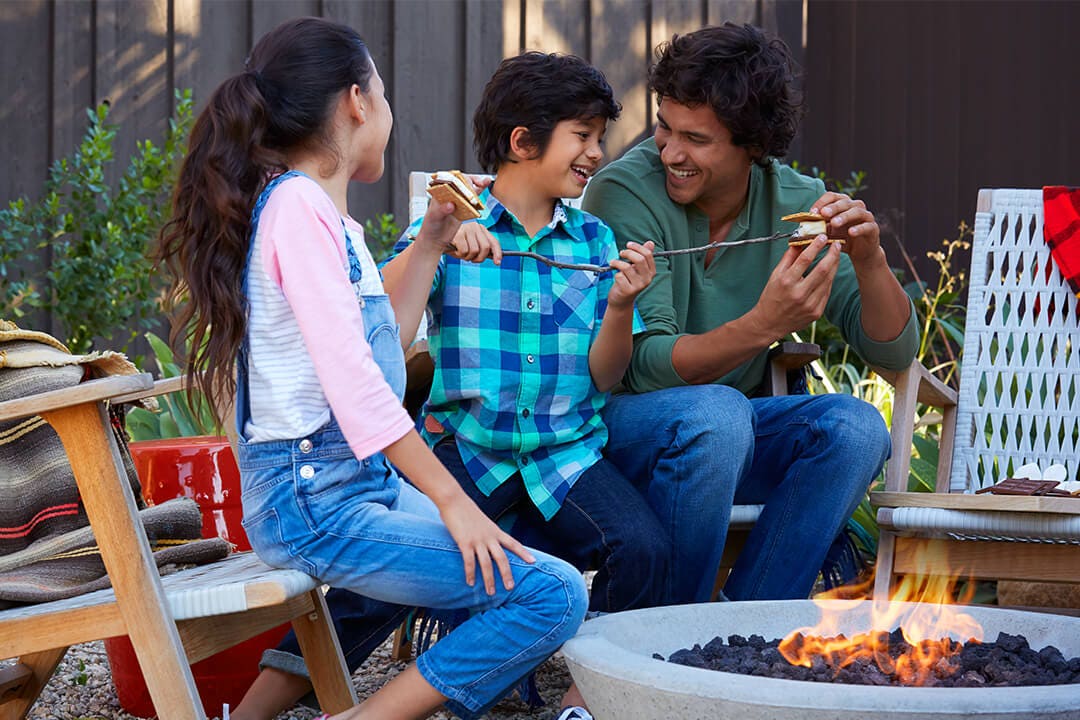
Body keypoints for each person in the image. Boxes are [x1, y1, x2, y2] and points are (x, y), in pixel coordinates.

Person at [155, 17, 588, 720]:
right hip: (316, 501)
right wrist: (453, 501)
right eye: (383, 97)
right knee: (553, 593)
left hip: (356, 485)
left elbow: (385, 344)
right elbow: (353, 387)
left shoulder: (327, 217)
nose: (388, 114)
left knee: (546, 584)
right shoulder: (298, 208)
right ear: (357, 102)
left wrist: (432, 241)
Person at [581, 23, 919, 603]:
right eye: (665, 127)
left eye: (698, 139)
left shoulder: (795, 202)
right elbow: (641, 369)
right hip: (619, 435)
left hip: (725, 437)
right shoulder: (625, 192)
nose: (671, 152)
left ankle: (744, 627)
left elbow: (893, 352)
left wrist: (869, 260)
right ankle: (661, 633)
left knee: (857, 427)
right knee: (718, 414)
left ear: (753, 146)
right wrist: (764, 325)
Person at [386, 51, 662, 720]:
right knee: (377, 569)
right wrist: (436, 241)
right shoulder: (453, 223)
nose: (597, 152)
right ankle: (284, 682)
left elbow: (607, 374)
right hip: (467, 446)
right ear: (522, 141)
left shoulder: (596, 241)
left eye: (599, 137)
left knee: (645, 548)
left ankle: (583, 696)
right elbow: (385, 340)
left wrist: (622, 306)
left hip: (563, 450)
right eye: (584, 135)